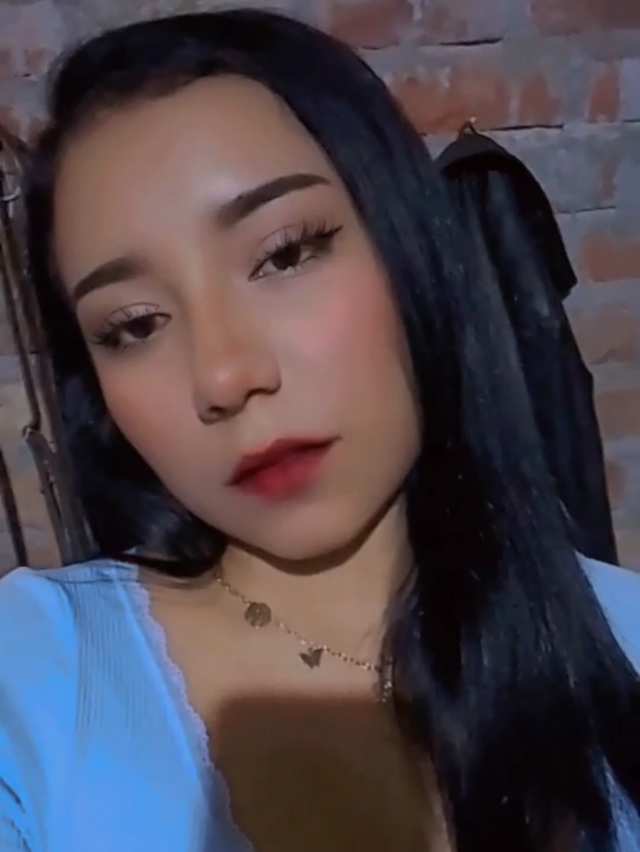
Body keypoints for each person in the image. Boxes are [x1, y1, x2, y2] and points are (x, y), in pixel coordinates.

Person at [1, 9, 639, 852]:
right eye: (135, 324)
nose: (225, 375)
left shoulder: (623, 635)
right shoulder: (34, 677)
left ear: (406, 243)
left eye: (285, 254)